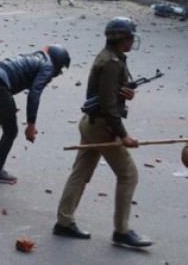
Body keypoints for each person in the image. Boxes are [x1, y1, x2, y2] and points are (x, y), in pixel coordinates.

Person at [53, 18, 152, 248]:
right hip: (101, 128)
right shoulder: (112, 63)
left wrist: (125, 94)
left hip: (91, 123)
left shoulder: (108, 57)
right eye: (129, 38)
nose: (132, 41)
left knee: (80, 174)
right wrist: (123, 135)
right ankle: (122, 230)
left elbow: (107, 94)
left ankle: (64, 222)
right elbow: (108, 105)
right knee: (128, 174)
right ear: (121, 39)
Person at [0, 45, 70, 183]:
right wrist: (31, 124)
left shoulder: (36, 57)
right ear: (58, 61)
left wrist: (8, 105)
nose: (58, 72)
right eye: (60, 68)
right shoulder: (47, 66)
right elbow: (34, 94)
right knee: (10, 131)